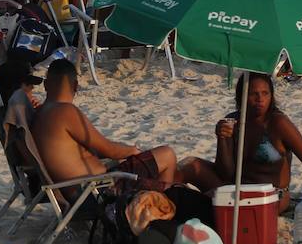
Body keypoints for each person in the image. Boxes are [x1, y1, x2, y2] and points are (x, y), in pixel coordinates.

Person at [181, 73, 302, 214]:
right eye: (254, 94)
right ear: (242, 97)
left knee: (209, 200)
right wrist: (222, 139)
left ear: (272, 96)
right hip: (237, 187)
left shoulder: (278, 123)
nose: (260, 99)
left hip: (273, 195)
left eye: (265, 93)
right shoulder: (234, 121)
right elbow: (225, 173)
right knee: (189, 165)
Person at [30, 59, 186, 193]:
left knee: (149, 164)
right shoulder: (66, 111)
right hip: (99, 188)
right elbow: (110, 150)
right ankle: (161, 210)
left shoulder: (40, 113)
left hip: (75, 188)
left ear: (45, 85)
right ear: (76, 85)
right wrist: (132, 150)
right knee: (167, 155)